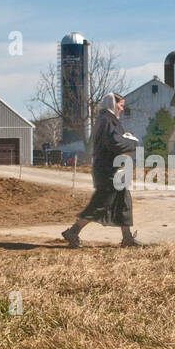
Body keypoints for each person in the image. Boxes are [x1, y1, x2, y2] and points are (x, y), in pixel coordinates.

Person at [61, 94, 144, 248]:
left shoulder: (109, 120)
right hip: (107, 170)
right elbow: (114, 143)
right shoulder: (107, 120)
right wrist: (132, 143)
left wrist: (125, 137)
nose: (122, 108)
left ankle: (127, 238)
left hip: (114, 168)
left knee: (123, 202)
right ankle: (73, 231)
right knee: (101, 203)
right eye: (121, 105)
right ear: (113, 104)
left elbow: (115, 139)